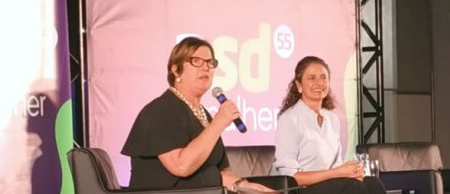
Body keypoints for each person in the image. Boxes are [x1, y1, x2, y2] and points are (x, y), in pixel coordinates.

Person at [121, 36, 272, 192]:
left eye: (210, 62)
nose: (206, 67)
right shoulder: (160, 110)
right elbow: (181, 166)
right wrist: (219, 122)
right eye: (196, 61)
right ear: (176, 69)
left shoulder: (202, 113)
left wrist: (245, 186)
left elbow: (220, 173)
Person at [271, 56, 385, 194]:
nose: (319, 83)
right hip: (297, 189)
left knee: (372, 183)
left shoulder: (332, 119)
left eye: (323, 78)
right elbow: (290, 177)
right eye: (312, 78)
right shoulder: (290, 119)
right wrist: (337, 173)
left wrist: (350, 172)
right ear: (299, 85)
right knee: (354, 187)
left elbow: (336, 167)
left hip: (329, 186)